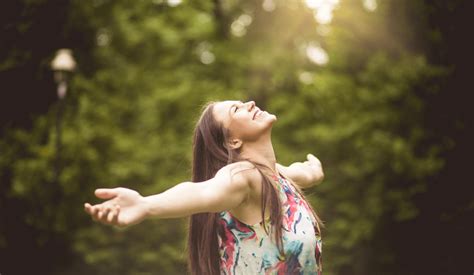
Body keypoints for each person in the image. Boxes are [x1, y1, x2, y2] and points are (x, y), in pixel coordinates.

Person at [84, 100, 325, 275]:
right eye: (236, 109)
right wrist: (146, 204)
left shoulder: (277, 175)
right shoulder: (243, 177)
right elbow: (203, 191)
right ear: (233, 141)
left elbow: (303, 173)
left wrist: (314, 170)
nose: (250, 103)